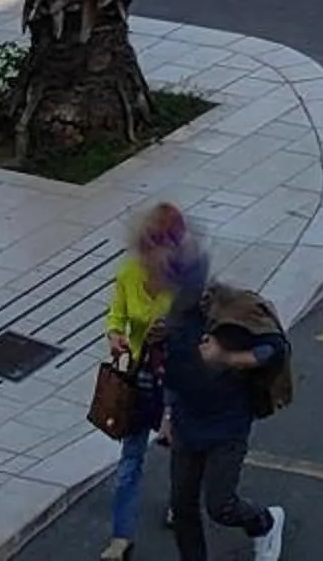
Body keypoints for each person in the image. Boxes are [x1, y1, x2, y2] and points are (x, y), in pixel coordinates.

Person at [154, 268, 286, 561]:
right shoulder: (175, 322)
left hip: (228, 425)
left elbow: (274, 349)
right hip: (188, 422)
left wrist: (226, 357)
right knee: (182, 504)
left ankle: (264, 522)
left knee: (221, 505)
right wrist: (166, 416)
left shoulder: (235, 312)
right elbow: (172, 372)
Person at [98, 202, 191, 561]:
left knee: (181, 452)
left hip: (177, 379)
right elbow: (117, 313)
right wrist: (115, 335)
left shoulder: (187, 284)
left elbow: (201, 330)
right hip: (140, 376)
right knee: (129, 460)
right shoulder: (129, 273)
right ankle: (121, 537)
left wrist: (173, 329)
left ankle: (178, 504)